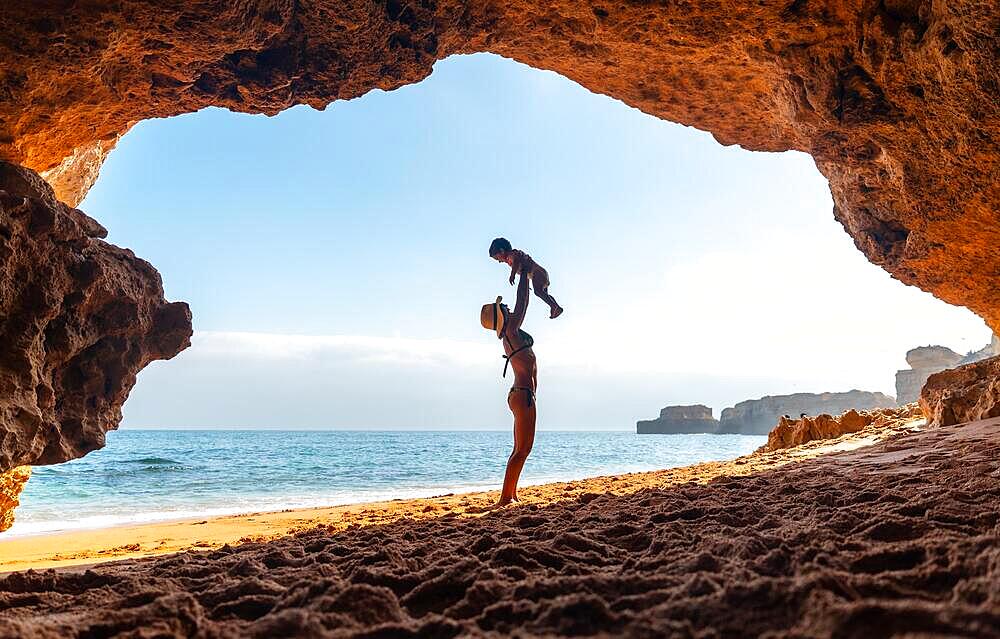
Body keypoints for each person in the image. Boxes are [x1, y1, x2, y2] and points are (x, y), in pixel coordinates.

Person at [480, 271, 537, 506]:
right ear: (502, 316)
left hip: (521, 394)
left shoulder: (510, 333)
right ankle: (505, 498)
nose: (508, 310)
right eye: (504, 310)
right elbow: (522, 303)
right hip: (523, 395)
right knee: (523, 449)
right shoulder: (511, 331)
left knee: (520, 449)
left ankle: (511, 494)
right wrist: (524, 274)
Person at [489, 237, 564, 319]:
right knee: (544, 294)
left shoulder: (512, 254)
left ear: (502, 251)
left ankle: (554, 306)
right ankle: (556, 307)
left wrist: (512, 274)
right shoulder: (510, 258)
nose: (499, 261)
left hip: (537, 273)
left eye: (497, 258)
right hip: (538, 274)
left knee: (538, 291)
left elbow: (516, 262)